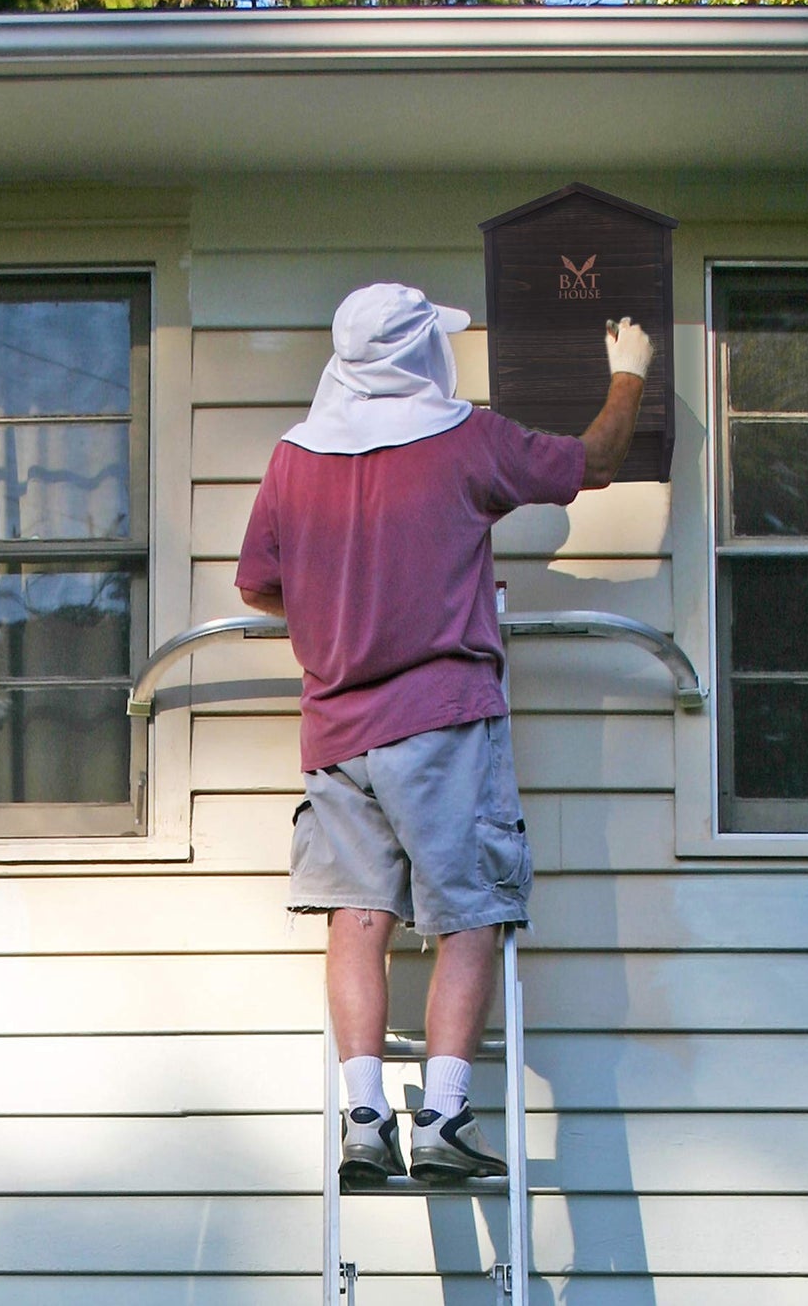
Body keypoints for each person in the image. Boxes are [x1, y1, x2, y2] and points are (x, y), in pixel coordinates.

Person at [235, 281, 652, 1184]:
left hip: (337, 724)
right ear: (421, 351)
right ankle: (445, 1116)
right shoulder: (464, 437)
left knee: (357, 915)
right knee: (469, 912)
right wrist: (628, 375)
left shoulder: (293, 458)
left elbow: (259, 583)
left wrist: (342, 607)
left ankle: (363, 1116)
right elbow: (598, 461)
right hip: (441, 717)